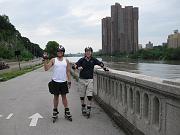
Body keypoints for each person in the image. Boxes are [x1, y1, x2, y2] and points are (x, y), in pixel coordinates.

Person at [72, 47, 109, 118]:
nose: (88, 53)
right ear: (85, 53)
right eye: (87, 51)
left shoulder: (93, 60)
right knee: (82, 95)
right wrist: (77, 67)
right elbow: (74, 66)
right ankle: (83, 107)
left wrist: (104, 68)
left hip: (90, 80)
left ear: (91, 52)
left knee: (89, 95)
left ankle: (88, 109)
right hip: (82, 80)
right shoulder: (81, 60)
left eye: (89, 51)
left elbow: (100, 63)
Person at [43, 45, 72, 121]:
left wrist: (69, 81)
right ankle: (55, 111)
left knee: (64, 97)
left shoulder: (66, 61)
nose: (59, 52)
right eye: (58, 51)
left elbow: (68, 72)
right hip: (55, 81)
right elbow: (46, 69)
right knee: (56, 97)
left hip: (63, 81)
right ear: (57, 52)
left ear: (63, 52)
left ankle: (67, 111)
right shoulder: (53, 60)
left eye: (61, 51)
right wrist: (45, 59)